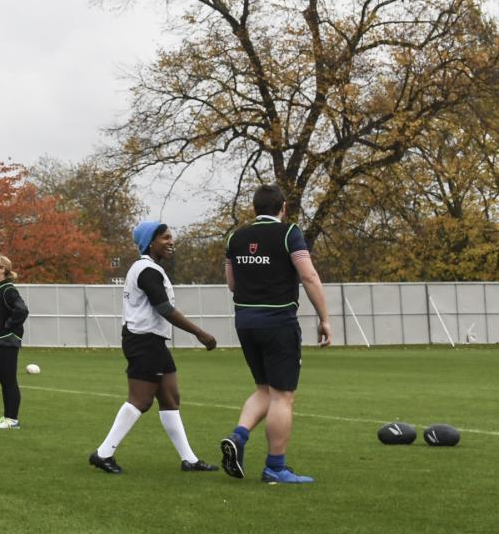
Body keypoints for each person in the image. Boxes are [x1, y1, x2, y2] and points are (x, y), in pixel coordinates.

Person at [217, 187, 333, 485]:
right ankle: (275, 467)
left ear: (254, 208)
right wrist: (324, 319)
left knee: (264, 389)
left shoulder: (235, 238)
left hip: (245, 321)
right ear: (283, 207)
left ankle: (238, 437)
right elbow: (308, 276)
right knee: (283, 396)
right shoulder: (289, 233)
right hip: (278, 321)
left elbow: (231, 284)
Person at [91, 222, 220, 475]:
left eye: (171, 237)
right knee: (141, 400)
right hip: (143, 340)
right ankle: (103, 453)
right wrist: (200, 333)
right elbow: (164, 309)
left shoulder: (149, 269)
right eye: (165, 238)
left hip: (153, 341)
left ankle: (189, 460)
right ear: (150, 242)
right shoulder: (147, 270)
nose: (171, 242)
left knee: (170, 398)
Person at [0, 256, 28, 428]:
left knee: (9, 381)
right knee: (3, 381)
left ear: (2, 269)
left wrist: (9, 325)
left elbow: (22, 310)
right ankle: (6, 417)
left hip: (7, 341)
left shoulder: (8, 290)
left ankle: (12, 420)